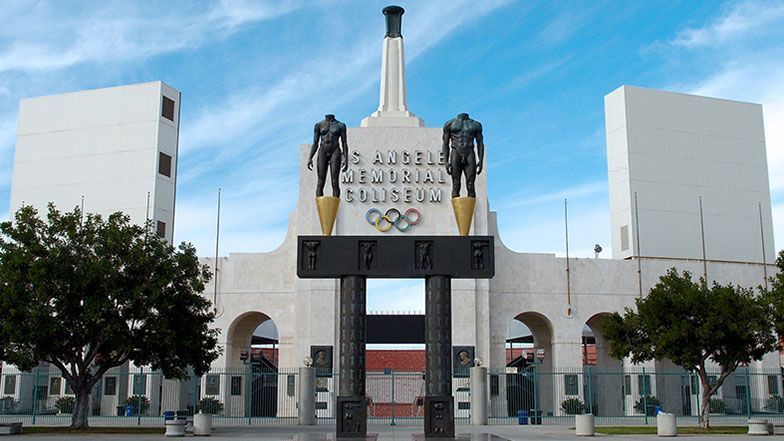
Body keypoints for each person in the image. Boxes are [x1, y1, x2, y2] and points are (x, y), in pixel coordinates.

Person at [442, 113, 484, 198]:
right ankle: (456, 211)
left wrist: (481, 160)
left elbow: (480, 143)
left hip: (469, 152)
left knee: (471, 184)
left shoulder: (476, 124)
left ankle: (470, 211)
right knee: (456, 184)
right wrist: (446, 161)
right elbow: (445, 144)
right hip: (456, 152)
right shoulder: (449, 124)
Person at [308, 114, 349, 197]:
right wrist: (310, 157)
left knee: (335, 182)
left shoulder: (341, 125)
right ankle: (320, 208)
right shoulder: (319, 125)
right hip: (323, 151)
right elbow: (315, 143)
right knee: (320, 182)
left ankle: (335, 209)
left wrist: (346, 158)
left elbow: (344, 143)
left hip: (335, 151)